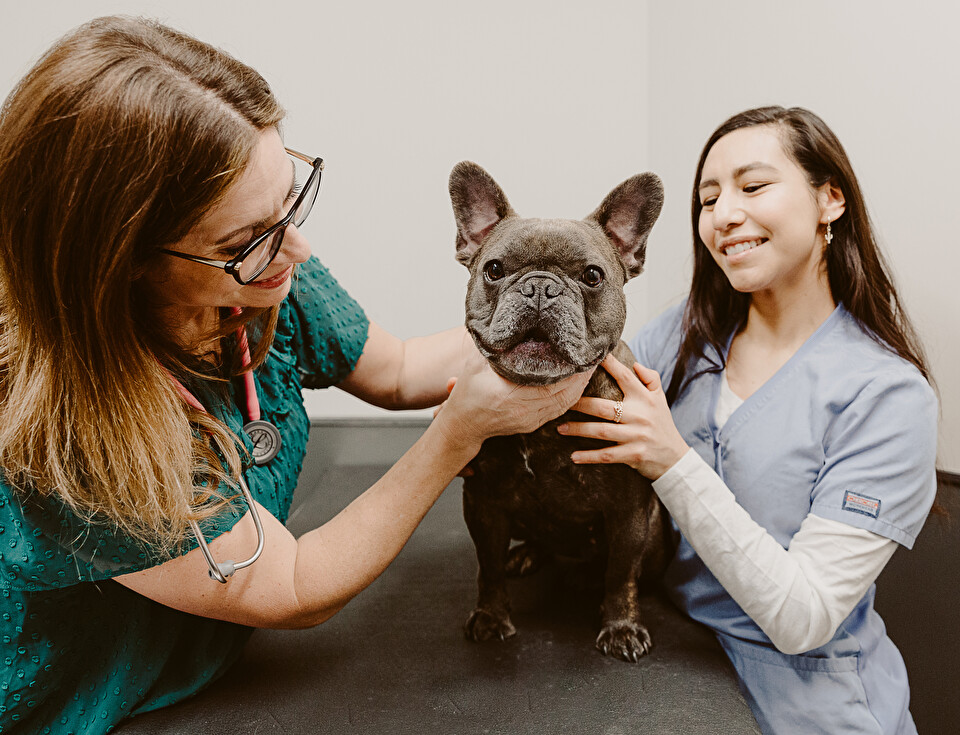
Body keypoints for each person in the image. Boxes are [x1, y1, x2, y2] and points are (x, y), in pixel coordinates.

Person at [0, 16, 594, 733]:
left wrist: (555, 334)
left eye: (289, 199)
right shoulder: (55, 432)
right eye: (247, 238)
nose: (295, 249)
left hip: (212, 669)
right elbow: (289, 585)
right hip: (72, 701)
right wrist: (457, 433)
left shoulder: (260, 272)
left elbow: (399, 368)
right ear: (121, 265)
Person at [559, 106, 938, 734]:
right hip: (678, 678)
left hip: (810, 706)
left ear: (830, 201)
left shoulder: (887, 396)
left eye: (752, 186)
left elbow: (804, 617)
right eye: (708, 199)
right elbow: (570, 368)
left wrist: (670, 460)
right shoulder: (690, 334)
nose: (723, 215)